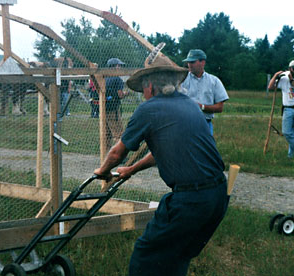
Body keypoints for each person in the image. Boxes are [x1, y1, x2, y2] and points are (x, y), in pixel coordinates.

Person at [94, 51, 229, 276]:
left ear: (149, 86)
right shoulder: (189, 104)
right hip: (217, 197)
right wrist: (132, 170)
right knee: (176, 255)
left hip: (191, 201)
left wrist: (103, 171)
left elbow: (117, 153)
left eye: (143, 90)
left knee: (145, 256)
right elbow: (160, 153)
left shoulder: (149, 109)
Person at [181, 49, 229, 135]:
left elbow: (220, 107)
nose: (189, 65)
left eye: (192, 62)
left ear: (202, 62)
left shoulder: (214, 81)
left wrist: (202, 107)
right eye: (188, 62)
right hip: (184, 123)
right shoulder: (181, 79)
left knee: (205, 148)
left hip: (205, 124)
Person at [268, 60, 294, 158]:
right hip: (288, 108)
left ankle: (290, 157)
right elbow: (270, 87)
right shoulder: (284, 78)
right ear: (290, 69)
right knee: (287, 132)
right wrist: (275, 75)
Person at [105, 57, 128, 149]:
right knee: (118, 133)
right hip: (113, 108)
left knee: (106, 132)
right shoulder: (117, 79)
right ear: (115, 66)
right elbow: (120, 95)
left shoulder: (105, 77)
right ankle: (119, 155)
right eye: (119, 65)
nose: (120, 68)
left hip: (104, 107)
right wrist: (126, 93)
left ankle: (106, 153)